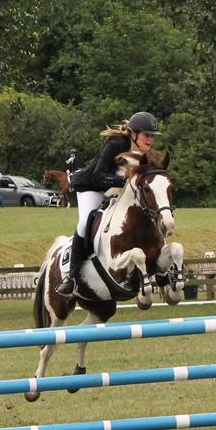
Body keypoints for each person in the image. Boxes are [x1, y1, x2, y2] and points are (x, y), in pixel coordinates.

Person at [57, 111, 161, 296]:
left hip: (115, 190)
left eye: (152, 136)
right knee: (85, 222)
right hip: (90, 186)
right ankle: (71, 277)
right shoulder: (115, 145)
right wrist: (124, 182)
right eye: (147, 135)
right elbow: (98, 176)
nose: (150, 139)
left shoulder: (147, 154)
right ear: (133, 134)